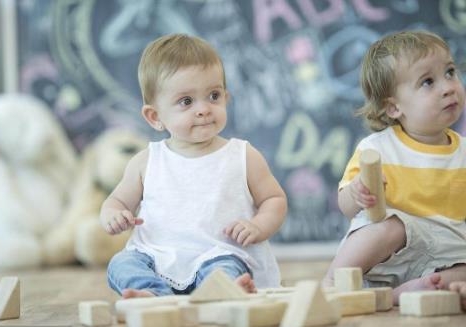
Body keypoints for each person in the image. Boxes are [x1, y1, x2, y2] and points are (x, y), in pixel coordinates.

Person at [100, 34, 287, 298]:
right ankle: (152, 296)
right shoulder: (147, 161)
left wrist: (258, 225)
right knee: (121, 264)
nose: (203, 109)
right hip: (156, 257)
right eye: (186, 101)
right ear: (155, 117)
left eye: (213, 96)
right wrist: (113, 216)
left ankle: (224, 292)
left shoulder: (243, 156)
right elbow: (116, 201)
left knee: (225, 268)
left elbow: (274, 199)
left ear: (226, 97)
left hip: (218, 253)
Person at [322, 30, 466, 305]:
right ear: (392, 108)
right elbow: (345, 205)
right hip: (388, 253)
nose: (448, 87)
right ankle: (331, 283)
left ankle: (407, 293)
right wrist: (356, 193)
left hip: (446, 251)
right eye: (427, 82)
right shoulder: (376, 149)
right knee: (390, 227)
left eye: (450, 72)